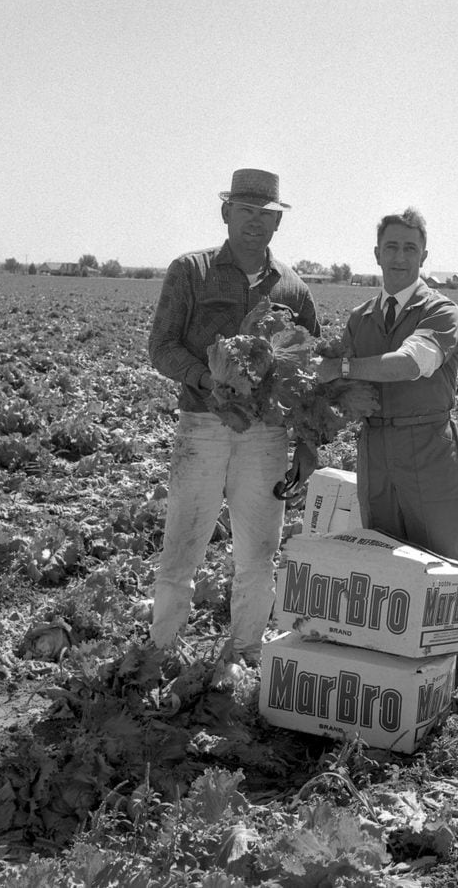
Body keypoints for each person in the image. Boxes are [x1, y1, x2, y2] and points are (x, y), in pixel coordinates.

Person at [148, 168, 320, 685]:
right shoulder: (191, 271)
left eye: (266, 215)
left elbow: (312, 371)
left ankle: (245, 654)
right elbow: (162, 346)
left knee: (259, 552)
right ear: (226, 213)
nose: (255, 222)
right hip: (202, 425)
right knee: (182, 544)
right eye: (245, 211)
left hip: (266, 436)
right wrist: (209, 379)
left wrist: (308, 442)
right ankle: (161, 652)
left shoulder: (294, 288)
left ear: (278, 223)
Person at [316, 207, 458, 689]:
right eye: (392, 246)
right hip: (375, 447)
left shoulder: (441, 311)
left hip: (426, 445)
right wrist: (342, 393)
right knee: (386, 559)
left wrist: (344, 370)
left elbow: (411, 363)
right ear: (377, 253)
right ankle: (403, 681)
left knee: (447, 561)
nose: (400, 256)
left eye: (411, 248)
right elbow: (333, 388)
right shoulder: (360, 318)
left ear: (424, 256)